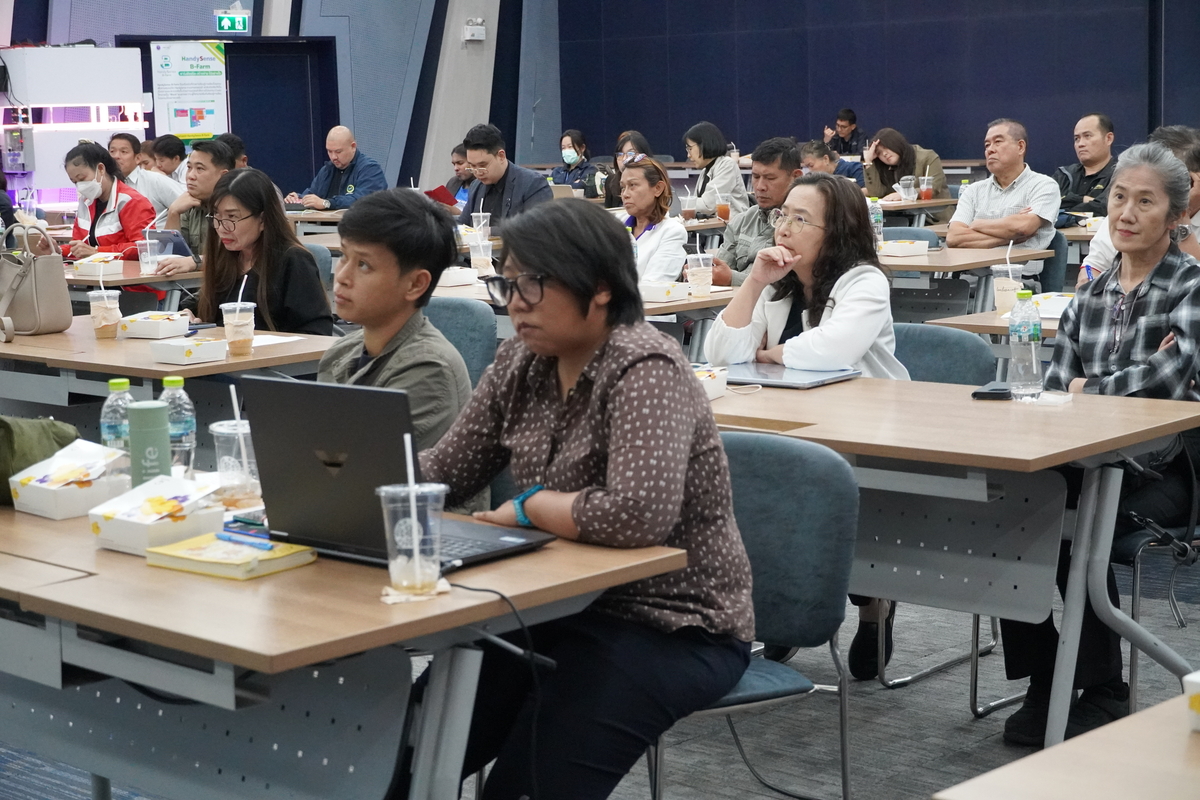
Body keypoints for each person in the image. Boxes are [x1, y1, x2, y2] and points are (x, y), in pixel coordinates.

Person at [417, 198, 753, 799]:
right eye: (507, 282)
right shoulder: (521, 359)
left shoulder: (645, 365)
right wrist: (346, 487)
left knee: (527, 787)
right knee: (407, 747)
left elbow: (637, 514)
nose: (514, 302)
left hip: (667, 623)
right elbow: (444, 470)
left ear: (599, 288)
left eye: (532, 284)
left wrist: (529, 508)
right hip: (553, 606)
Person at [1001, 142, 1200, 747]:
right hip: (1088, 459)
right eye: (1119, 198)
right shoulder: (1090, 292)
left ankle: (1099, 687)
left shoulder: (1191, 287)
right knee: (1014, 515)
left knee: (1067, 525)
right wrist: (1102, 387)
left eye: (1146, 202)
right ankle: (1049, 676)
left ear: (1174, 217)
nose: (1127, 213)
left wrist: (1096, 386)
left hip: (1169, 470)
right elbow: (1058, 387)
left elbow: (1174, 379)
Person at [704, 171, 908, 681]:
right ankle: (782, 602)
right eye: (782, 216)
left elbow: (832, 352)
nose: (784, 228)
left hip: (870, 434)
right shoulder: (779, 284)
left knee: (845, 511)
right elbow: (722, 355)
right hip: (794, 424)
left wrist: (769, 353)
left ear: (835, 231)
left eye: (801, 219)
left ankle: (873, 603)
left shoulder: (864, 281)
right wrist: (753, 281)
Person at [317, 188, 472, 452]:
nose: (342, 276)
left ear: (415, 284)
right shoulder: (340, 352)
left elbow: (367, 474)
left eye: (364, 264)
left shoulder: (428, 370)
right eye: (344, 256)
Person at [195, 168, 333, 335]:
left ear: (263, 220)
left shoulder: (293, 260)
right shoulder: (227, 257)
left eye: (232, 217)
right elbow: (201, 304)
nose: (222, 227)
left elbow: (317, 331)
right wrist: (187, 315)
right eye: (216, 216)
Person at [947, 119, 1060, 281]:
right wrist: (1009, 236)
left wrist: (977, 224)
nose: (990, 150)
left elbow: (1024, 227)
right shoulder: (973, 190)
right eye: (987, 145)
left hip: (1019, 277)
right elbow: (954, 238)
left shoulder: (1043, 185)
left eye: (998, 142)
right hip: (970, 273)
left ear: (1020, 147)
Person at [28, 142, 154, 260]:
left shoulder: (131, 202)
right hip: (95, 277)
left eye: (82, 178)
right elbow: (80, 247)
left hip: (126, 280)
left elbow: (143, 247)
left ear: (100, 169)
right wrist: (57, 251)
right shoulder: (86, 202)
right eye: (74, 182)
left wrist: (97, 252)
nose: (80, 186)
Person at [713, 137, 803, 287]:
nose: (760, 186)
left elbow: (785, 285)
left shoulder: (801, 227)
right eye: (755, 177)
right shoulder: (742, 221)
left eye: (770, 178)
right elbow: (720, 269)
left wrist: (731, 279)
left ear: (796, 177)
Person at [157, 139, 235, 276]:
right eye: (189, 168)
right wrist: (173, 212)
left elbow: (233, 257)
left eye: (200, 169)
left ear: (224, 176)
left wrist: (194, 262)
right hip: (193, 287)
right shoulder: (190, 205)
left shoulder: (234, 208)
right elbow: (168, 257)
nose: (190, 176)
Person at [456, 123, 553, 229]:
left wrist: (486, 232)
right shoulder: (476, 186)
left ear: (501, 156)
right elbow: (462, 224)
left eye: (483, 165)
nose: (478, 172)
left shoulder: (533, 184)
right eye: (472, 166)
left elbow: (535, 228)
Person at [284, 126, 387, 210]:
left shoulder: (370, 169)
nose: (333, 157)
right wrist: (298, 198)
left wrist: (327, 203)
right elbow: (313, 194)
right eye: (329, 151)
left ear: (353, 147)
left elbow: (363, 200)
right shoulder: (327, 170)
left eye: (338, 152)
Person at [620, 155, 687, 282]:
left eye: (633, 185)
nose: (625, 194)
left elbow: (654, 284)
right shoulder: (615, 224)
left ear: (658, 189)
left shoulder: (672, 232)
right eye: (623, 187)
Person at [862, 127, 951, 220]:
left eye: (886, 148)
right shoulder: (883, 166)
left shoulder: (927, 157)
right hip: (899, 218)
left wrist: (904, 195)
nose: (884, 154)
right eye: (879, 153)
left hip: (931, 218)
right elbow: (876, 193)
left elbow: (934, 188)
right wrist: (868, 162)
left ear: (896, 143)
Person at [108, 133, 184, 226]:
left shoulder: (155, 180)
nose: (116, 156)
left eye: (124, 152)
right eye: (112, 151)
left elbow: (186, 206)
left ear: (138, 158)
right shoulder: (107, 185)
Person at [1054, 114, 1116, 226]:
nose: (1080, 144)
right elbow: (1044, 206)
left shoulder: (1121, 174)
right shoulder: (1063, 175)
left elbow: (1106, 207)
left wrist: (1064, 212)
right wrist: (1082, 199)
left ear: (1108, 138)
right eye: (1076, 138)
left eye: (1087, 136)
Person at [684, 121, 749, 217]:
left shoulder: (727, 165)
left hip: (732, 229)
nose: (688, 155)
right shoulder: (705, 171)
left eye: (690, 148)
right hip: (712, 228)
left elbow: (708, 205)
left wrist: (681, 203)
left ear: (704, 144)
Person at [603, 130, 652, 209]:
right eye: (620, 154)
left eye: (631, 154)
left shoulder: (653, 179)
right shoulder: (611, 181)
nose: (624, 159)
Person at [799, 139, 865, 188]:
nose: (810, 170)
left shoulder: (854, 168)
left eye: (811, 165)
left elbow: (867, 190)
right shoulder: (818, 181)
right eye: (807, 167)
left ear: (826, 159)